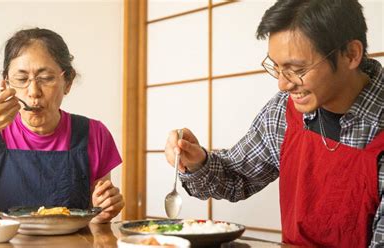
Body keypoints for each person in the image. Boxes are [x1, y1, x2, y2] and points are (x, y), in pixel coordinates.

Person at [164, 0, 383, 247]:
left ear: (351, 54)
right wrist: (197, 161)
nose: (282, 84)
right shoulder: (284, 110)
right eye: (276, 68)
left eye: (297, 69)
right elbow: (237, 176)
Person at [0, 28, 124, 224]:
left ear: (67, 82)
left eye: (46, 78)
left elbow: (96, 218)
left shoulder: (93, 134)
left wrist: (101, 213)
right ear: (7, 84)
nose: (33, 91)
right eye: (21, 79)